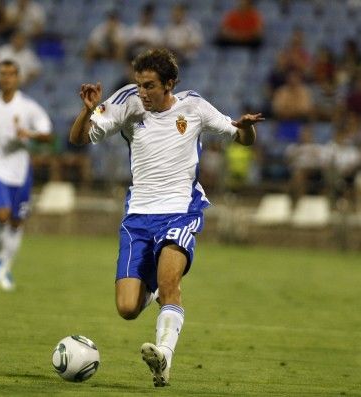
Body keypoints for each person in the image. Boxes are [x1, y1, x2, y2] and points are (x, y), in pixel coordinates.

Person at [68, 48, 263, 387]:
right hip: (138, 216)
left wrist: (245, 128)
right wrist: (86, 113)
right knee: (127, 308)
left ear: (170, 84)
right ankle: (158, 294)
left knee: (170, 284)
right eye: (139, 84)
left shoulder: (195, 107)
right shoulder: (126, 102)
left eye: (150, 86)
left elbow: (242, 139)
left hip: (180, 210)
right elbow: (78, 139)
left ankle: (164, 357)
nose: (142, 92)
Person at [0, 59, 53, 291]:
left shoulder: (28, 107)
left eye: (11, 74)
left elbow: (47, 134)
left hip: (20, 169)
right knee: (2, 215)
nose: (7, 78)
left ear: (18, 78)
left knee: (16, 221)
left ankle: (4, 263)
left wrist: (28, 133)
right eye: (2, 74)